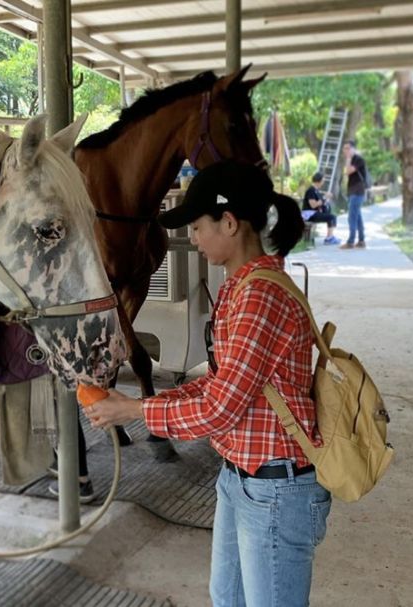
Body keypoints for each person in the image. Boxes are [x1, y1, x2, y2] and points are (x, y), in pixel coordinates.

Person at [83, 159, 331, 607]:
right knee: (226, 598)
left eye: (197, 226)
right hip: (241, 478)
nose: (192, 239)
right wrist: (142, 400)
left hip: (274, 489)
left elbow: (220, 409)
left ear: (230, 222)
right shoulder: (241, 287)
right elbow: (218, 384)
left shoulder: (262, 296)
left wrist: (136, 411)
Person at [340, 140, 367, 249]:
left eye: (347, 148)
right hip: (352, 191)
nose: (345, 151)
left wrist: (348, 158)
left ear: (353, 148)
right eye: (344, 148)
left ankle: (351, 241)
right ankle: (361, 241)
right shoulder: (351, 159)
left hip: (358, 191)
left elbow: (348, 171)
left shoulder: (358, 159)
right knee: (358, 216)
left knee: (352, 216)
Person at [302, 171, 340, 245]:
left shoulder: (316, 191)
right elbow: (313, 205)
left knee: (331, 216)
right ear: (318, 181)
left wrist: (326, 199)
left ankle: (330, 237)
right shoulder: (311, 190)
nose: (323, 183)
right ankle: (329, 238)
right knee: (331, 217)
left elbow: (321, 203)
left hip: (314, 213)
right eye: (322, 181)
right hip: (309, 214)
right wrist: (324, 197)